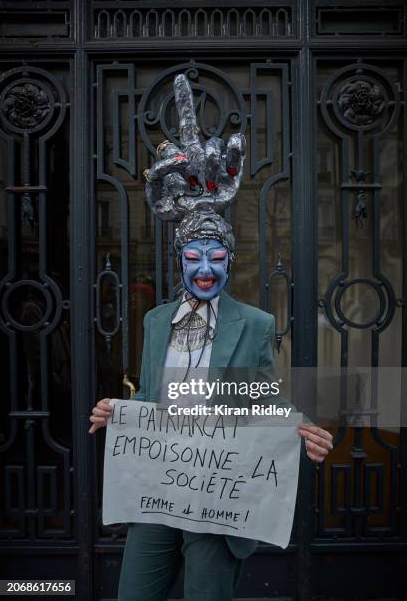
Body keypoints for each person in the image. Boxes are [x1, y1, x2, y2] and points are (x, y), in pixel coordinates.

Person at [89, 74, 333, 601]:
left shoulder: (255, 324)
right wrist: (119, 410)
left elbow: (261, 397)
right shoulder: (156, 321)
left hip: (217, 493)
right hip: (157, 485)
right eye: (194, 257)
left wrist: (300, 426)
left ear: (229, 263)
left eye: (216, 259)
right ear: (180, 260)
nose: (205, 269)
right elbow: (153, 396)